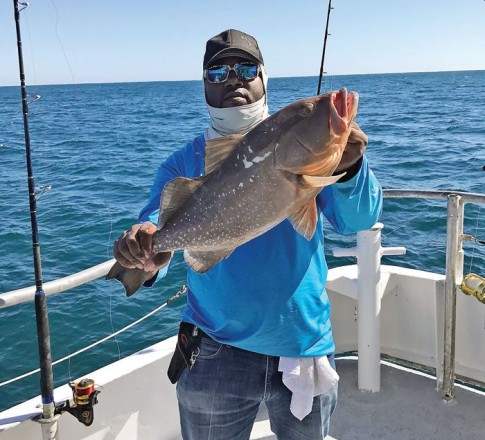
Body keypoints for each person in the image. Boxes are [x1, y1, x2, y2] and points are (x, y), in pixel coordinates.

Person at [112, 29, 382, 440]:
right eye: (218, 71)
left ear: (263, 79)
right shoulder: (182, 162)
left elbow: (359, 219)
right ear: (204, 85)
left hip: (302, 341)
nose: (233, 79)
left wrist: (350, 169)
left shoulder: (315, 161)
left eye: (246, 69)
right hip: (213, 348)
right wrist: (145, 250)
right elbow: (157, 229)